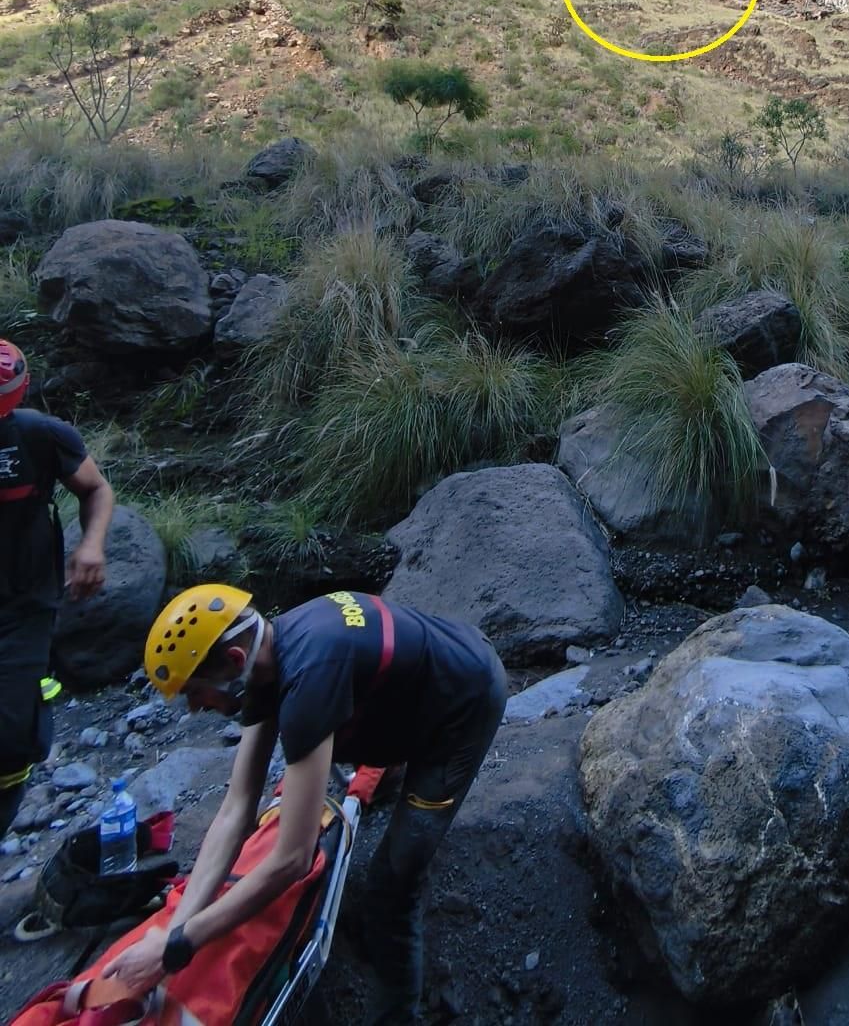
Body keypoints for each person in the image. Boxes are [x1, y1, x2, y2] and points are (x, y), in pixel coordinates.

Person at [109, 583, 508, 1026]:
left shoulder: (312, 672)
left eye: (196, 691)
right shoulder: (272, 654)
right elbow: (236, 809)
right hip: (420, 681)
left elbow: (292, 860)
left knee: (390, 889)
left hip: (464, 707)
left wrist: (179, 948)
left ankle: (398, 1017)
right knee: (335, 730)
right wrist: (174, 929)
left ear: (235, 660)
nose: (195, 707)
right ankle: (393, 768)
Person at [0, 338, 113, 838]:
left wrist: (91, 545)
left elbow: (95, 488)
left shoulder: (41, 438)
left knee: (9, 735)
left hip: (24, 601)